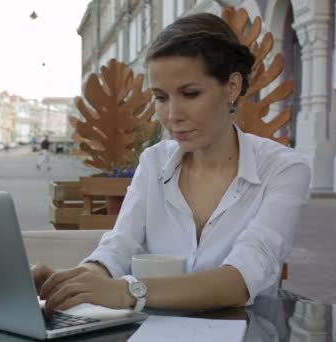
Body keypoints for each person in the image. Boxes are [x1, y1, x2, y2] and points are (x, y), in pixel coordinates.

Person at [32, 13, 311, 316]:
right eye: (160, 97)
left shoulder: (283, 170)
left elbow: (241, 279)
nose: (172, 115)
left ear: (231, 87)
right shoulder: (154, 161)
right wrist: (77, 279)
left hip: (246, 332)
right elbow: (120, 245)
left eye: (190, 94)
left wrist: (128, 291)